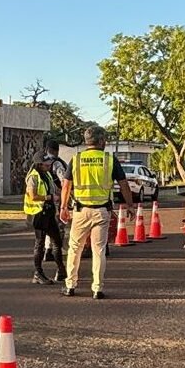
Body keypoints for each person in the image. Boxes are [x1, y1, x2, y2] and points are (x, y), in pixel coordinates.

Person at [58, 126, 129, 300]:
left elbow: (66, 185)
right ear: (101, 141)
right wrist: (130, 205)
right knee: (99, 250)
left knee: (75, 248)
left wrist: (63, 207)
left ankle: (70, 285)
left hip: (80, 210)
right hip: (102, 211)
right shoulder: (109, 159)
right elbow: (124, 183)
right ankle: (97, 288)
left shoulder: (77, 159)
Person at [25, 153, 66, 285]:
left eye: (49, 164)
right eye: (46, 164)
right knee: (40, 244)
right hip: (37, 214)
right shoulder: (33, 177)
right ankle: (38, 273)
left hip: (48, 212)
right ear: (39, 164)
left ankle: (61, 271)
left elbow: (54, 190)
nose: (49, 166)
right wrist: (50, 197)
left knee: (57, 241)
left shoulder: (47, 175)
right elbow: (33, 196)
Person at [42, 139, 69, 264]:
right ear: (56, 151)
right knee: (59, 226)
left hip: (41, 199)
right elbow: (64, 181)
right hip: (56, 198)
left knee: (47, 226)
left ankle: (47, 250)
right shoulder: (57, 163)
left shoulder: (39, 162)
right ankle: (55, 250)